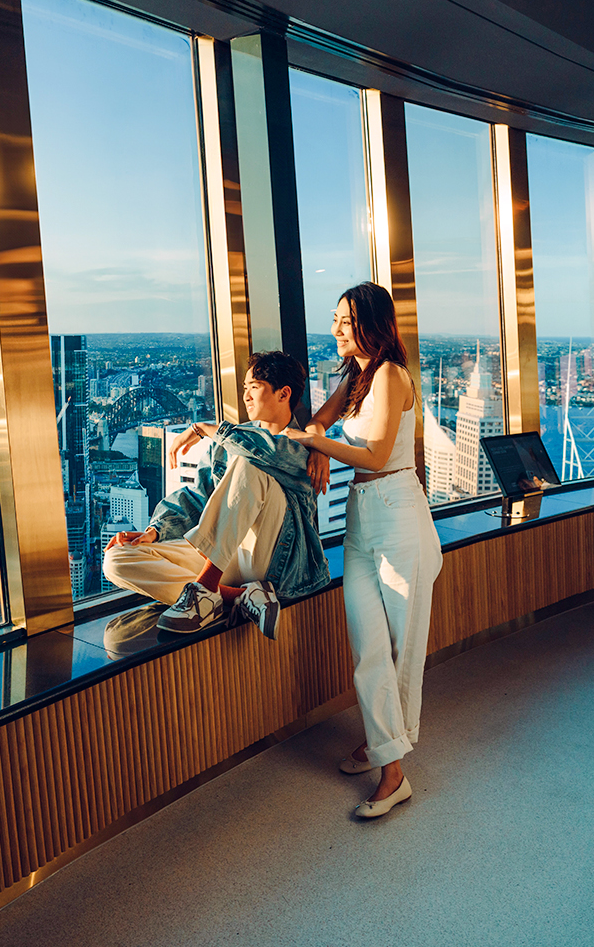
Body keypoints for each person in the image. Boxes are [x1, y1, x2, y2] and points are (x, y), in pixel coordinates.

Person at [279, 283, 442, 819]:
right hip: (360, 515)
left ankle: (392, 771)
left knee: (402, 645)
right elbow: (319, 420)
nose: (335, 330)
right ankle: (382, 744)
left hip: (398, 510)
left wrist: (316, 447)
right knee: (368, 644)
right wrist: (321, 442)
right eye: (335, 320)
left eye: (345, 322)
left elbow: (373, 452)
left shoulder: (392, 376)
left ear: (370, 323)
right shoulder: (355, 378)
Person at [102, 350, 331, 644]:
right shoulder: (228, 443)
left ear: (283, 393)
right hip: (226, 560)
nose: (246, 395)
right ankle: (237, 598)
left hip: (272, 564)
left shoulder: (304, 449)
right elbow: (198, 497)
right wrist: (155, 531)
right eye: (245, 387)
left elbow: (263, 450)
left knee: (249, 462)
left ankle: (207, 587)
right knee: (117, 558)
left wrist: (206, 429)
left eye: (255, 387)